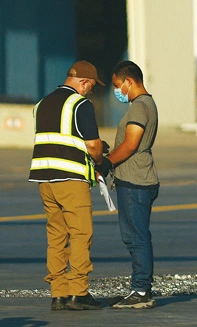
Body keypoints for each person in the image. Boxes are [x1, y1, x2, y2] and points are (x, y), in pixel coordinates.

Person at [28, 60, 106, 310]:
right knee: (81, 234)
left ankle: (58, 293)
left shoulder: (41, 104)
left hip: (44, 179)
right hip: (71, 179)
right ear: (84, 82)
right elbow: (92, 145)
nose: (90, 92)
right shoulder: (80, 104)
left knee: (56, 235)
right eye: (92, 87)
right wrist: (100, 159)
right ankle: (78, 293)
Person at [97, 61, 160, 309]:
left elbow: (132, 144)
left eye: (116, 85)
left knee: (136, 237)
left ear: (129, 81)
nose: (116, 91)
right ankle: (140, 287)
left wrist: (107, 162)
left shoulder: (139, 107)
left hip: (136, 181)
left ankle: (141, 290)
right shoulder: (145, 104)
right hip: (137, 177)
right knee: (136, 235)